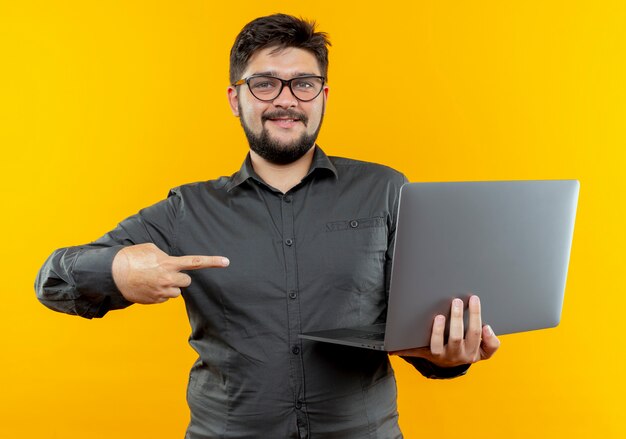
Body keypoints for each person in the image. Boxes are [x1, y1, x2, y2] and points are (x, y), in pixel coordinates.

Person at [35, 14, 500, 439]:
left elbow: (424, 330)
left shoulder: (387, 190)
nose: (285, 100)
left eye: (303, 84)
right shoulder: (186, 210)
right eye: (264, 84)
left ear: (323, 96)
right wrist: (116, 269)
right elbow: (51, 281)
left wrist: (448, 358)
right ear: (235, 99)